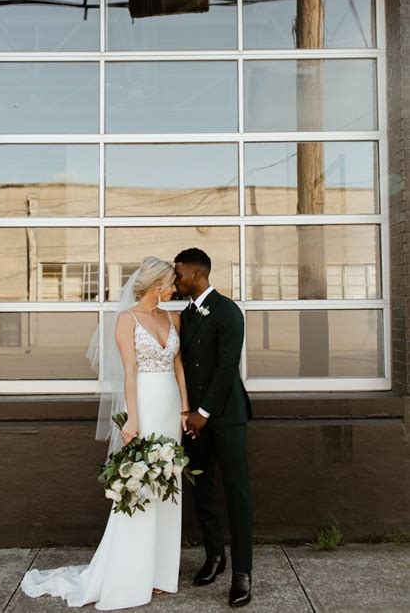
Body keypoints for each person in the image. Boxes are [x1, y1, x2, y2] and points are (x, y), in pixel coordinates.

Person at [20, 256, 190, 610]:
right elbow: (129, 370)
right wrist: (131, 418)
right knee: (141, 485)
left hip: (171, 408)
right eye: (171, 282)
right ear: (157, 284)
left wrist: (186, 409)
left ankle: (161, 573)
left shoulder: (171, 317)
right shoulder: (126, 321)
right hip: (143, 402)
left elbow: (178, 366)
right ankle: (133, 573)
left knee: (167, 484)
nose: (175, 288)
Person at [174, 247, 253, 609]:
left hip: (226, 417)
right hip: (196, 420)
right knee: (201, 488)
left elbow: (225, 368)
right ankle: (214, 557)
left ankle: (242, 573)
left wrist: (203, 412)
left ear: (197, 274)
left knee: (236, 494)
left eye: (179, 273)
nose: (176, 279)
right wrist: (188, 412)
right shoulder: (186, 315)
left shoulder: (228, 311)